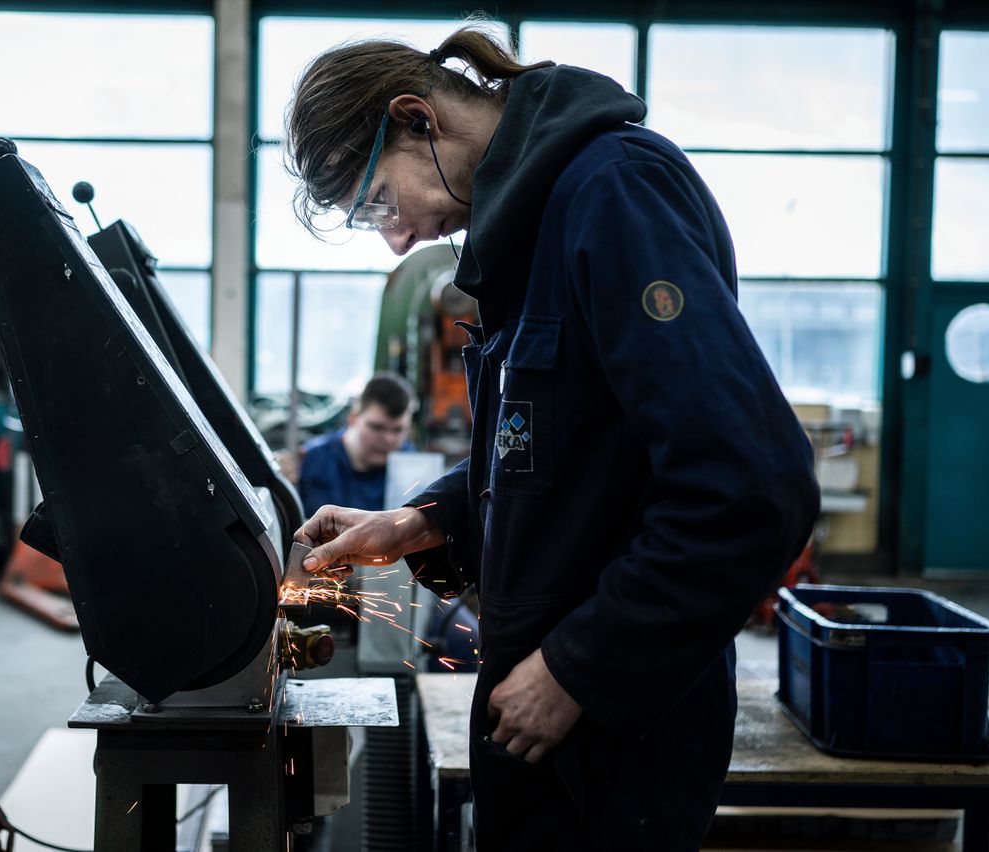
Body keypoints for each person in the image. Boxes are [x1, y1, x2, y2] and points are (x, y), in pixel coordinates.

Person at [284, 25, 820, 851]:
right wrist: (421, 523)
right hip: (545, 709)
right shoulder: (527, 229)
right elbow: (561, 448)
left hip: (614, 731)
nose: (397, 239)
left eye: (380, 202)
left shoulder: (614, 195)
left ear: (417, 118)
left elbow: (753, 486)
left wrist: (583, 667)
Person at [296, 372, 415, 515]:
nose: (388, 439)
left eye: (398, 430)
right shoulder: (310, 460)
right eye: (377, 427)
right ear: (353, 418)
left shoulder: (413, 470)